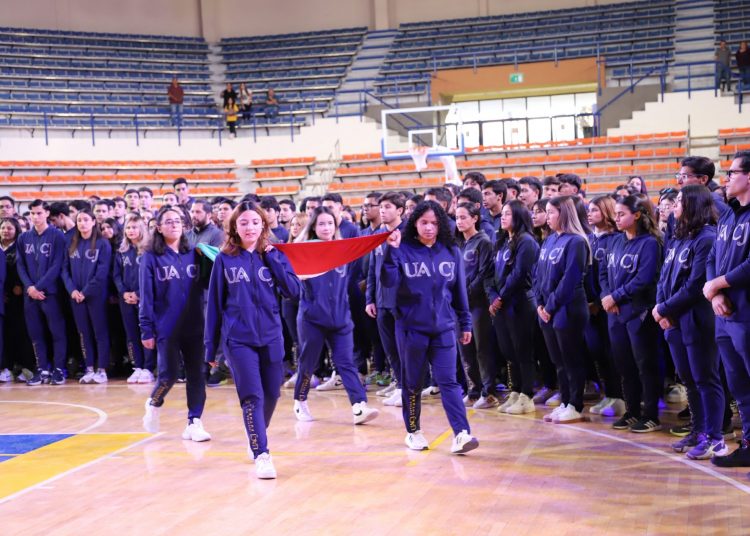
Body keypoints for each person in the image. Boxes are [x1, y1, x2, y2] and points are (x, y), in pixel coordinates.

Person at [205, 201, 300, 479]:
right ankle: (262, 453)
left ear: (263, 226)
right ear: (235, 226)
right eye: (244, 222)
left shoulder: (275, 255)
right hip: (238, 341)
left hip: (271, 337)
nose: (250, 227)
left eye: (255, 222)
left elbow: (293, 291)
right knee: (252, 397)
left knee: (272, 394)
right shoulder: (224, 259)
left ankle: (256, 434)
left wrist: (273, 260)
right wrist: (211, 348)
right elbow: (214, 306)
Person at [382, 200, 479, 454]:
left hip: (444, 329)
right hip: (410, 329)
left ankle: (461, 433)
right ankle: (413, 431)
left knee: (449, 382)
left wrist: (465, 322)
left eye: (434, 223)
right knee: (413, 383)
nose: (429, 228)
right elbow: (388, 281)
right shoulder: (401, 248)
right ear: (414, 223)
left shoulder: (451, 251)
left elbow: (459, 291)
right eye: (424, 222)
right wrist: (391, 251)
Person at [653, 185, 726, 459]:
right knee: (689, 380)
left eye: (680, 201)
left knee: (705, 378)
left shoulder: (707, 238)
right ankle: (698, 431)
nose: (674, 205)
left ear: (694, 204)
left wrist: (664, 308)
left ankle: (715, 438)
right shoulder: (679, 237)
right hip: (673, 320)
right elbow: (664, 277)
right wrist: (661, 308)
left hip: (697, 319)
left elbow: (696, 285)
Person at [292, 207, 379, 425]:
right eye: (321, 223)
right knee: (308, 363)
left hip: (340, 320)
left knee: (346, 362)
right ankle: (300, 400)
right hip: (312, 319)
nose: (326, 228)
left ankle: (359, 406)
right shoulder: (304, 252)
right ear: (313, 227)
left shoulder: (343, 250)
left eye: (330, 223)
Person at [139, 206, 210, 442]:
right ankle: (154, 401)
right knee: (168, 375)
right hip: (166, 326)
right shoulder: (150, 257)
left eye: (178, 221)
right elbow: (146, 295)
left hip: (195, 325)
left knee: (197, 373)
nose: (174, 224)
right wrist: (146, 328)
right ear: (159, 228)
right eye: (168, 221)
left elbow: (210, 282)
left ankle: (194, 421)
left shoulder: (196, 253)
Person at [601, 195, 662, 433]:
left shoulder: (650, 243)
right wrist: (608, 296)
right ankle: (632, 410)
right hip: (615, 313)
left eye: (621, 214)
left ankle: (651, 415)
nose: (616, 218)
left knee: (645, 364)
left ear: (636, 215)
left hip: (638, 312)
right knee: (624, 365)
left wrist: (616, 296)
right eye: (615, 214)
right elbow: (603, 273)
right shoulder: (616, 241)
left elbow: (644, 278)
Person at [704, 151, 750, 467]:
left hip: (746, 312)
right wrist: (714, 293)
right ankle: (748, 444)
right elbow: (713, 257)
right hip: (724, 313)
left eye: (732, 172)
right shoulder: (729, 215)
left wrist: (719, 283)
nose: (727, 178)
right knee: (739, 385)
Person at [534, 196, 591, 423]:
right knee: (558, 361)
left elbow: (570, 279)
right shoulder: (549, 240)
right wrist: (539, 303)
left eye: (551, 212)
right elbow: (538, 274)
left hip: (568, 308)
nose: (547, 217)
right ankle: (565, 401)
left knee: (572, 359)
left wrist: (549, 306)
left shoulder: (576, 242)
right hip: (547, 310)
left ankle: (575, 404)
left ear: (564, 214)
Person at [487, 200, 539, 414]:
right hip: (502, 304)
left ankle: (527, 395)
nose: (503, 217)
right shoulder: (501, 241)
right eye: (503, 214)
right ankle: (515, 391)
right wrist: (493, 295)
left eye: (508, 213)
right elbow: (490, 273)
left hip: (520, 303)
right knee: (509, 351)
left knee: (523, 350)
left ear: (518, 216)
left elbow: (519, 274)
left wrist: (501, 297)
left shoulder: (527, 241)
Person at [16, 200, 68, 386]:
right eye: (32, 213)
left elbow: (57, 265)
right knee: (35, 333)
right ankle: (42, 368)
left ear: (47, 213)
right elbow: (20, 265)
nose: (35, 217)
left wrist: (39, 287)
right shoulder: (23, 238)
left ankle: (59, 369)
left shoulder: (57, 235)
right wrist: (30, 287)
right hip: (30, 295)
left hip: (50, 293)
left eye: (39, 213)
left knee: (57, 332)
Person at [585, 196, 626, 416]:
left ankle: (619, 396)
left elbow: (611, 274)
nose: (589, 214)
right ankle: (608, 394)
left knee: (612, 352)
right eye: (589, 210)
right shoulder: (589, 238)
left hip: (608, 304)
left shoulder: (616, 238)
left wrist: (601, 300)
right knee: (597, 351)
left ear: (606, 211)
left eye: (594, 210)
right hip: (590, 304)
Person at [62, 208, 112, 384]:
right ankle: (89, 368)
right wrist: (72, 290)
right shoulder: (71, 243)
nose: (82, 223)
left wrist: (85, 292)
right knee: (83, 333)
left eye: (85, 220)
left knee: (100, 332)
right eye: (79, 220)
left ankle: (102, 370)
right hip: (76, 296)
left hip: (95, 296)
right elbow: (64, 270)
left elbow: (102, 272)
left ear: (93, 222)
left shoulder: (102, 243)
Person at [454, 202, 497, 409]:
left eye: (463, 217)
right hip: (461, 307)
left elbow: (484, 273)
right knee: (465, 349)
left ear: (475, 218)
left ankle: (488, 393)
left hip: (478, 304)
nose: (459, 221)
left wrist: (465, 293)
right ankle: (474, 390)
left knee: (482, 349)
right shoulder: (458, 244)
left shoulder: (484, 242)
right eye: (457, 217)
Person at [365, 192, 406, 406]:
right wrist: (369, 299)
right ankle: (399, 384)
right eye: (381, 207)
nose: (382, 210)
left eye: (388, 207)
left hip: (402, 301)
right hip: (381, 301)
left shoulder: (408, 234)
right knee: (390, 348)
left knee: (403, 348)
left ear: (400, 210)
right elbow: (373, 269)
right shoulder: (379, 234)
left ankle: (408, 387)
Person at [114, 213, 155, 384]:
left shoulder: (149, 250)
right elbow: (116, 275)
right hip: (126, 299)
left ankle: (148, 368)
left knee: (146, 332)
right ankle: (137, 366)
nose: (131, 230)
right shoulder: (121, 251)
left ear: (142, 229)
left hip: (144, 299)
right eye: (128, 228)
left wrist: (138, 294)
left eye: (135, 227)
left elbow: (151, 276)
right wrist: (124, 292)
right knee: (131, 334)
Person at [1, 218, 33, 382]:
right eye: (3, 228)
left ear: (16, 231)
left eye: (9, 228)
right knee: (5, 334)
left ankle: (25, 367)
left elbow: (23, 268)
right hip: (2, 297)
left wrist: (19, 285)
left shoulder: (19, 247)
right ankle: (7, 367)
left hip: (17, 296)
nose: (5, 231)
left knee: (20, 332)